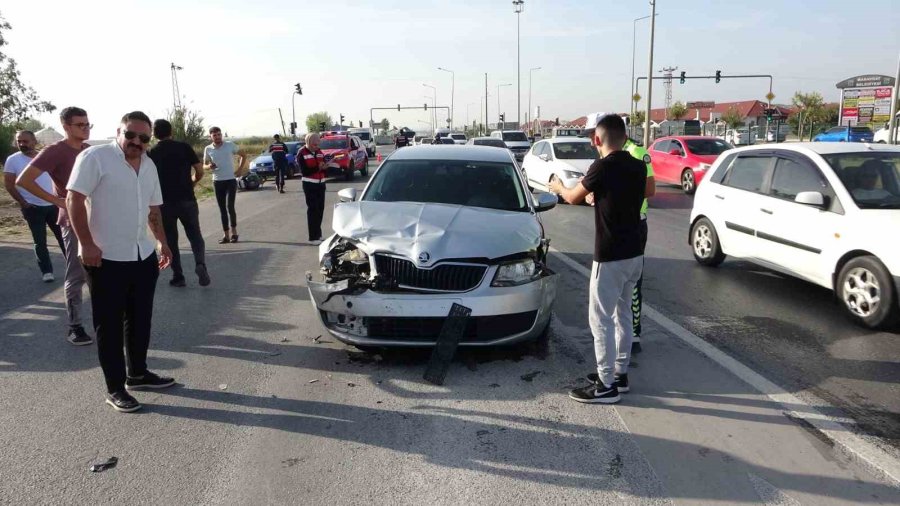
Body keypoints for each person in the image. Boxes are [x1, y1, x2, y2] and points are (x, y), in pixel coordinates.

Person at [66, 111, 174, 413]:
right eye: (131, 135)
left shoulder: (149, 165)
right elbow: (74, 199)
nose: (136, 142)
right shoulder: (95, 158)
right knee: (109, 325)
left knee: (140, 318)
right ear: (119, 132)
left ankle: (137, 374)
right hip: (104, 257)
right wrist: (86, 244)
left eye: (143, 138)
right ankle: (114, 388)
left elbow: (154, 209)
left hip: (141, 254)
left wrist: (162, 242)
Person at [549, 114, 646, 404]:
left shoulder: (601, 167)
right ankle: (620, 374)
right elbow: (620, 197)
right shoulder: (638, 165)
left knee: (600, 319)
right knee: (623, 314)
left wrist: (557, 188)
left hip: (610, 255)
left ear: (597, 140)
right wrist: (597, 197)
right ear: (625, 137)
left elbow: (571, 197)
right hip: (635, 252)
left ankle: (605, 386)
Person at [16, 107, 93, 346]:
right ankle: (75, 326)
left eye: (88, 124)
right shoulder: (55, 151)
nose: (86, 128)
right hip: (71, 221)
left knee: (101, 273)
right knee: (77, 273)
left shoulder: (89, 151)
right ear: (66, 127)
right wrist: (58, 200)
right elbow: (23, 180)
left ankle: (105, 321)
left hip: (96, 220)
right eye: (80, 125)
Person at [586, 136, 656, 353]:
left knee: (607, 313)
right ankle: (619, 373)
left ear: (600, 138)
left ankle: (609, 379)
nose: (592, 144)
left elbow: (649, 190)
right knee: (621, 305)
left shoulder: (636, 153)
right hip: (632, 230)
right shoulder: (624, 158)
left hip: (629, 227)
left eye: (593, 137)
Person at [148, 119, 210, 288]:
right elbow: (199, 170)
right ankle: (200, 264)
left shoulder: (151, 152)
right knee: (195, 235)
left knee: (171, 239)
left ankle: (178, 276)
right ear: (171, 131)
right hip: (187, 199)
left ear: (154, 134)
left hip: (164, 203)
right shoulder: (184, 147)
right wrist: (193, 182)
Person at [3, 130, 65, 282]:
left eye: (26, 141)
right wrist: (24, 203)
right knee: (40, 241)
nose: (22, 144)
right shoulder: (13, 160)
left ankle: (74, 269)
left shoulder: (45, 157)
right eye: (19, 141)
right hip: (33, 208)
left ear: (34, 141)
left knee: (64, 238)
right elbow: (9, 185)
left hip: (54, 205)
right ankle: (47, 271)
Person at [203, 126, 246, 243]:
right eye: (215, 135)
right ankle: (226, 235)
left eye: (219, 135)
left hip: (230, 180)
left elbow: (243, 155)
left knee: (230, 207)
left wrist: (239, 169)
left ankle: (234, 233)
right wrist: (209, 166)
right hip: (217, 181)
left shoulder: (230, 145)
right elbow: (204, 165)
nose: (217, 137)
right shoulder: (208, 149)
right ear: (210, 136)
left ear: (221, 135)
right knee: (222, 209)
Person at [298, 132, 328, 244]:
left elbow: (324, 169)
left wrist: (325, 167)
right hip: (309, 184)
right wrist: (318, 168)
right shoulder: (302, 153)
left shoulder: (320, 152)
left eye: (318, 143)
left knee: (320, 209)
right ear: (309, 143)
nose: (317, 146)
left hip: (321, 184)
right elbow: (304, 171)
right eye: (315, 144)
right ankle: (313, 237)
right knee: (313, 210)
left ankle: (318, 234)